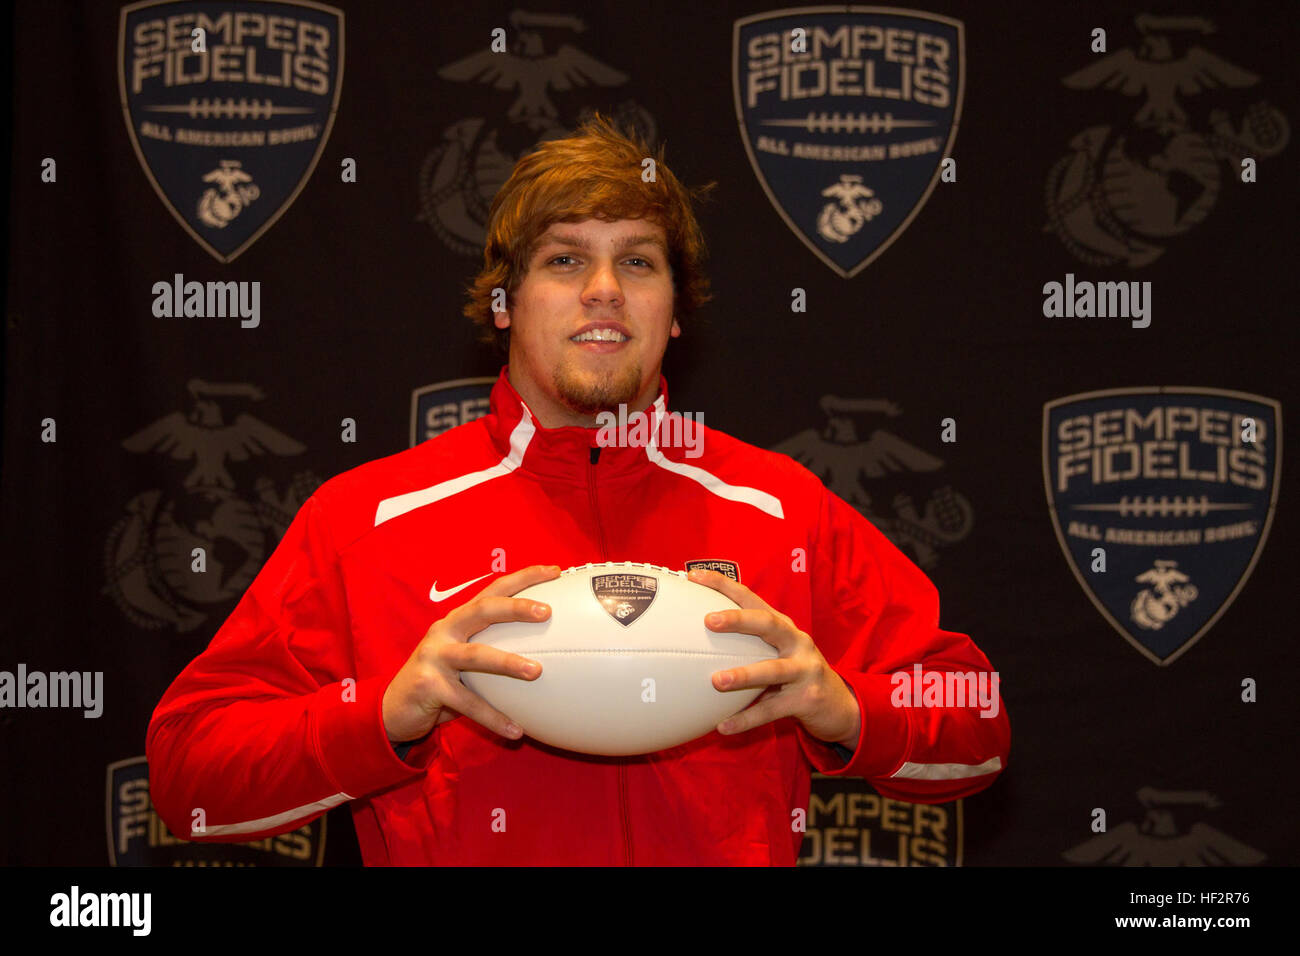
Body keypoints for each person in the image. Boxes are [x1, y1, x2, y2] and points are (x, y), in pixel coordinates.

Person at [147, 113, 1010, 865]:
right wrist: (382, 714)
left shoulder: (776, 507)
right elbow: (190, 772)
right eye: (565, 260)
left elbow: (976, 720)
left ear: (677, 312)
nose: (604, 290)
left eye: (638, 263)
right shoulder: (372, 519)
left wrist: (847, 707)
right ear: (504, 304)